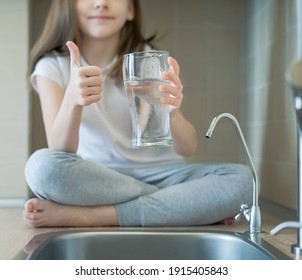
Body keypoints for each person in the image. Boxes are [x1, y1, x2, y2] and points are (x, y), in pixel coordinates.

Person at [23, 0, 253, 228]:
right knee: (42, 168)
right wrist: (72, 100)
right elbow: (60, 148)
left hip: (165, 174)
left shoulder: (147, 58)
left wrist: (172, 113)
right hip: (98, 180)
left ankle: (93, 216)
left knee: (244, 181)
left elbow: (188, 148)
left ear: (130, 10)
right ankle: (178, 204)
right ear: (69, 6)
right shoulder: (51, 66)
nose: (101, 3)